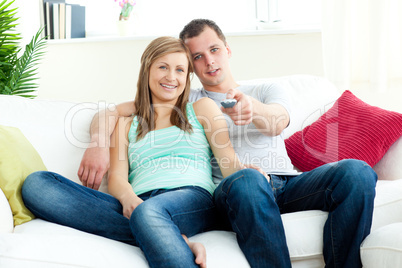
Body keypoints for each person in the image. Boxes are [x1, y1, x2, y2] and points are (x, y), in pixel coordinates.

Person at [76, 20, 378, 267]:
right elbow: (114, 110)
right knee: (245, 180)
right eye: (197, 57)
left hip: (283, 184)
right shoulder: (187, 102)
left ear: (227, 50)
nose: (209, 61)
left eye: (214, 50)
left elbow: (278, 121)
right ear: (190, 68)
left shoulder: (265, 88)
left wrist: (253, 109)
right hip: (233, 191)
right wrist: (100, 142)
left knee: (358, 172)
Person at [22, 36, 262, 268]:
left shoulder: (201, 109)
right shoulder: (126, 122)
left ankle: (156, 227)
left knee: (149, 213)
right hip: (140, 202)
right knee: (37, 185)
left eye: (180, 70)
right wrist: (129, 200)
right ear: (147, 69)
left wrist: (244, 173)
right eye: (163, 67)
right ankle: (172, 238)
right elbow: (117, 177)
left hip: (192, 198)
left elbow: (227, 159)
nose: (171, 76)